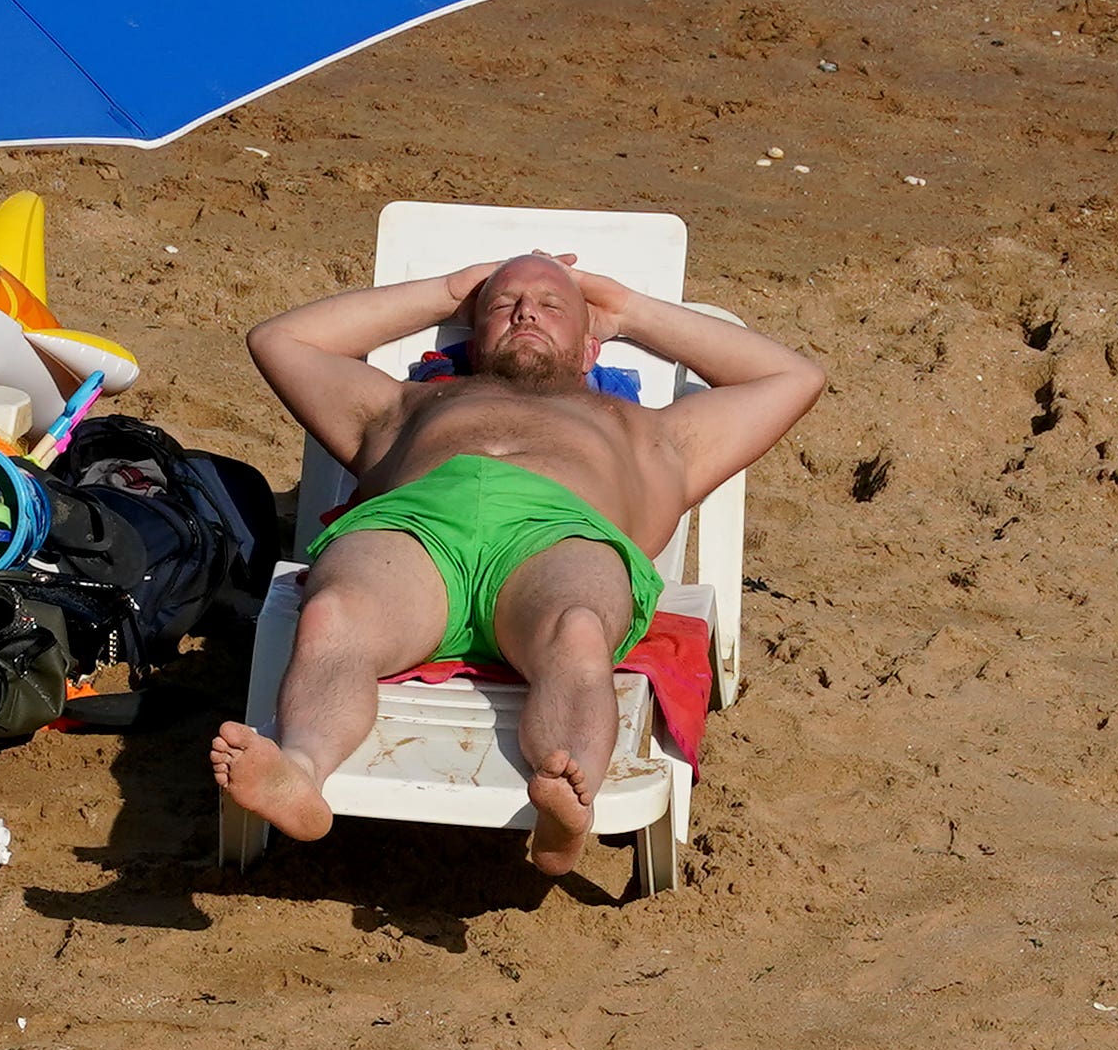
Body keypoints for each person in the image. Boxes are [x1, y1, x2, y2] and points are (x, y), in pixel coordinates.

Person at [210, 253, 825, 875]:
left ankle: (567, 792)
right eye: (502, 305)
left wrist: (630, 310)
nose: (525, 309)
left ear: (590, 347)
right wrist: (448, 291)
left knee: (577, 629)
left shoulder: (650, 432)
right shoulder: (404, 406)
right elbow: (277, 339)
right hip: (415, 532)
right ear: (475, 337)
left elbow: (793, 377)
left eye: (551, 306)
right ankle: (302, 770)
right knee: (332, 615)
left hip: (560, 538)